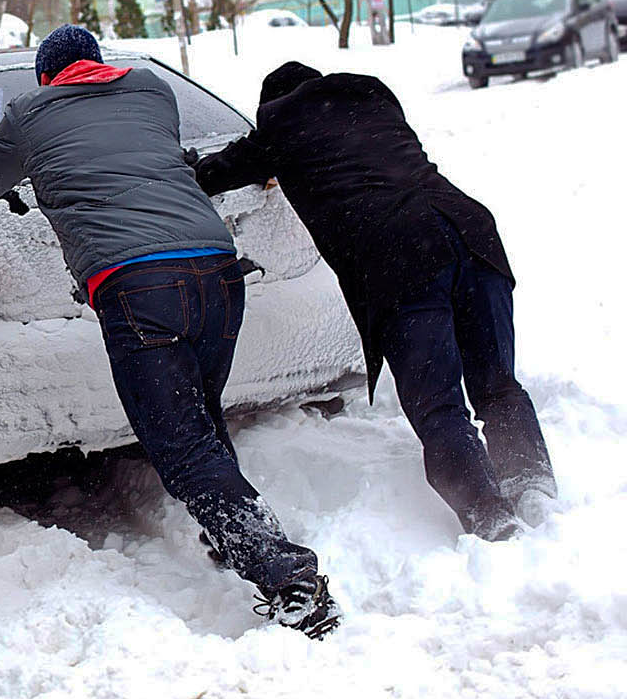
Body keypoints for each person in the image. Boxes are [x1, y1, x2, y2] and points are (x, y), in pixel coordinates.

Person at [0, 25, 341, 639]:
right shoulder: (152, 92)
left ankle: (286, 575)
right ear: (99, 65)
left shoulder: (29, 114)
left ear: (47, 77)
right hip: (218, 273)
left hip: (138, 286)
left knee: (179, 446)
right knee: (199, 417)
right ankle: (234, 535)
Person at [193, 62, 554, 539]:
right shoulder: (373, 96)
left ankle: (489, 515)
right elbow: (358, 151)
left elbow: (215, 173)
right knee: (497, 381)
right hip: (470, 231)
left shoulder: (280, 127)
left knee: (438, 402)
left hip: (402, 254)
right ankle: (530, 483)